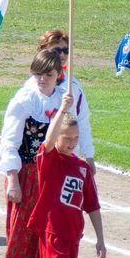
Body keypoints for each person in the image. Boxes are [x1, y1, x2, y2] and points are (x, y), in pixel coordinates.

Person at [21, 92, 105, 258]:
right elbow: (46, 142)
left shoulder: (82, 167)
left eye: (75, 138)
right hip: (52, 235)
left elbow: (92, 205)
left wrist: (100, 239)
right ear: (57, 137)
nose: (71, 143)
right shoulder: (49, 160)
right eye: (66, 138)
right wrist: (63, 109)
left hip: (72, 236)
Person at [0, 50, 65, 258]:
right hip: (27, 173)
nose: (42, 79)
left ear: (58, 75)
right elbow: (9, 143)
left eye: (48, 74)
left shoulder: (65, 99)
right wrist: (13, 180)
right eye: (38, 74)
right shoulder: (24, 100)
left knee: (51, 237)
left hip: (53, 176)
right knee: (23, 235)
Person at [32, 29, 95, 174]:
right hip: (42, 159)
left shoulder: (73, 86)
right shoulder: (33, 86)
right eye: (57, 50)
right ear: (43, 50)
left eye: (66, 51)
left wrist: (89, 155)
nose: (62, 55)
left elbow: (82, 121)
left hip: (68, 158)